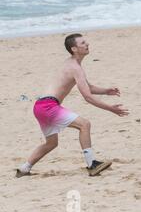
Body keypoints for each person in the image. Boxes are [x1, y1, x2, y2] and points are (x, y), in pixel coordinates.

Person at [16, 33, 129, 178]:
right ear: (74, 49)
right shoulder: (75, 67)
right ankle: (92, 164)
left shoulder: (72, 64)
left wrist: (106, 91)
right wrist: (111, 109)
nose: (87, 44)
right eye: (82, 43)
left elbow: (88, 87)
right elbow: (87, 96)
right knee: (84, 125)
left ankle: (24, 168)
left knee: (51, 143)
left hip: (40, 106)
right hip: (48, 106)